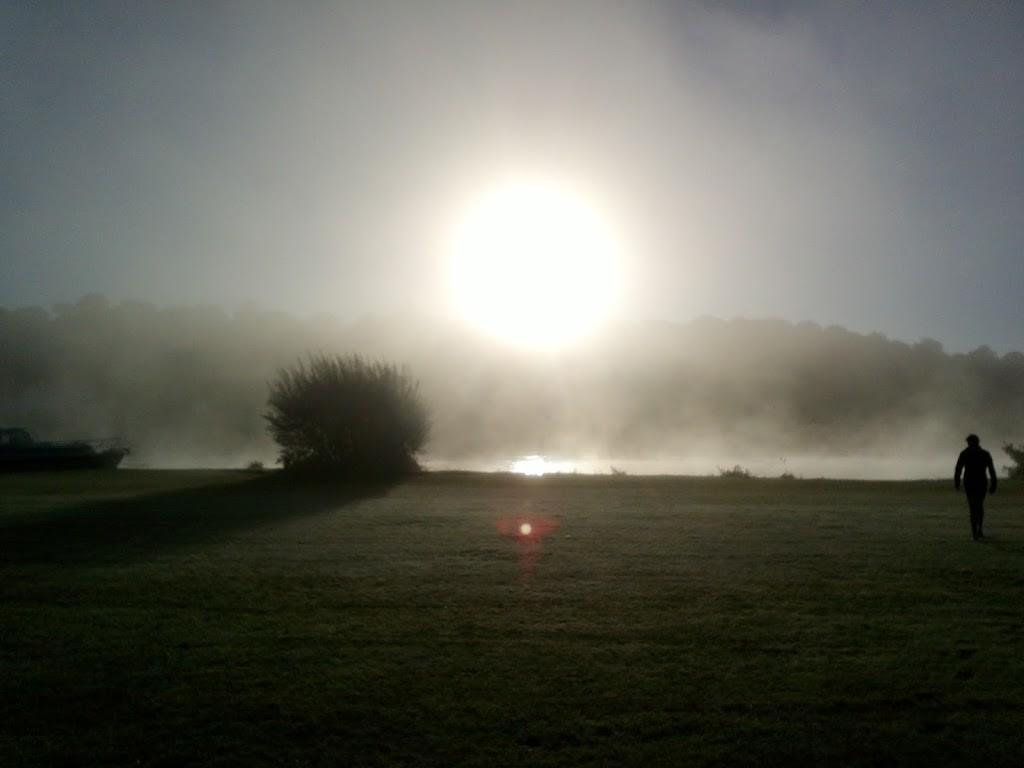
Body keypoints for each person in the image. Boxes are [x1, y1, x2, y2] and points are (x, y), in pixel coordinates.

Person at [954, 434, 998, 540]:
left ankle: (975, 532)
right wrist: (994, 484)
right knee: (979, 505)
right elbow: (991, 470)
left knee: (972, 507)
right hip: (981, 482)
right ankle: (979, 529)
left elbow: (958, 469)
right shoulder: (984, 454)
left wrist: (957, 482)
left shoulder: (965, 453)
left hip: (969, 482)